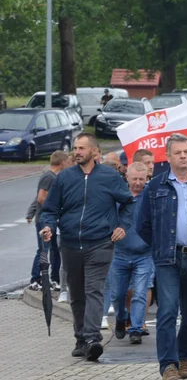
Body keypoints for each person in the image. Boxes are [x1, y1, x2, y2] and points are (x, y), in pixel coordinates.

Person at [39, 133, 135, 362]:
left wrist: (122, 226)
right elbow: (50, 208)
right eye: (75, 148)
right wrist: (48, 226)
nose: (77, 151)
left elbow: (129, 202)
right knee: (77, 293)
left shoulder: (109, 177)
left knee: (94, 289)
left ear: (94, 151)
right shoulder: (64, 178)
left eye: (82, 147)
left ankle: (93, 339)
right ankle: (80, 338)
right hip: (70, 243)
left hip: (100, 242)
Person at [136, 134, 187, 380]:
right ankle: (168, 366)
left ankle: (185, 358)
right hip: (167, 259)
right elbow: (142, 224)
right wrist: (161, 245)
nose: (183, 156)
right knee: (168, 311)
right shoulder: (156, 186)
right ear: (168, 157)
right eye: (178, 153)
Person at [107, 162, 155, 345]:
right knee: (118, 294)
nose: (137, 183)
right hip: (119, 253)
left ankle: (136, 328)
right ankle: (121, 317)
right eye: (134, 179)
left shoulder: (150, 196)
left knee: (140, 292)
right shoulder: (118, 196)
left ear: (147, 178)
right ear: (127, 177)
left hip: (144, 253)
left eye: (141, 179)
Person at [27, 150, 66, 290]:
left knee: (54, 250)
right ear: (63, 163)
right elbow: (41, 198)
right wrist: (55, 209)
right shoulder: (49, 177)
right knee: (43, 249)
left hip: (50, 219)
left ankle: (50, 278)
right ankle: (36, 278)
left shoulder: (53, 176)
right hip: (44, 219)